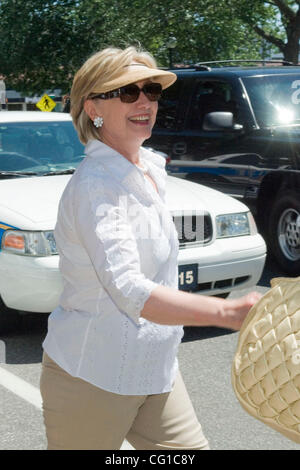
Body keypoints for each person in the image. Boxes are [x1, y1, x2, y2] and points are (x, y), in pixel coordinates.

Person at [40, 45, 261, 450]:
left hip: (154, 370)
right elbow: (130, 289)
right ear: (94, 108)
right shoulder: (97, 185)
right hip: (93, 376)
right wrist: (228, 311)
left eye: (152, 90)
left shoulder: (147, 170)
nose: (144, 101)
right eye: (127, 92)